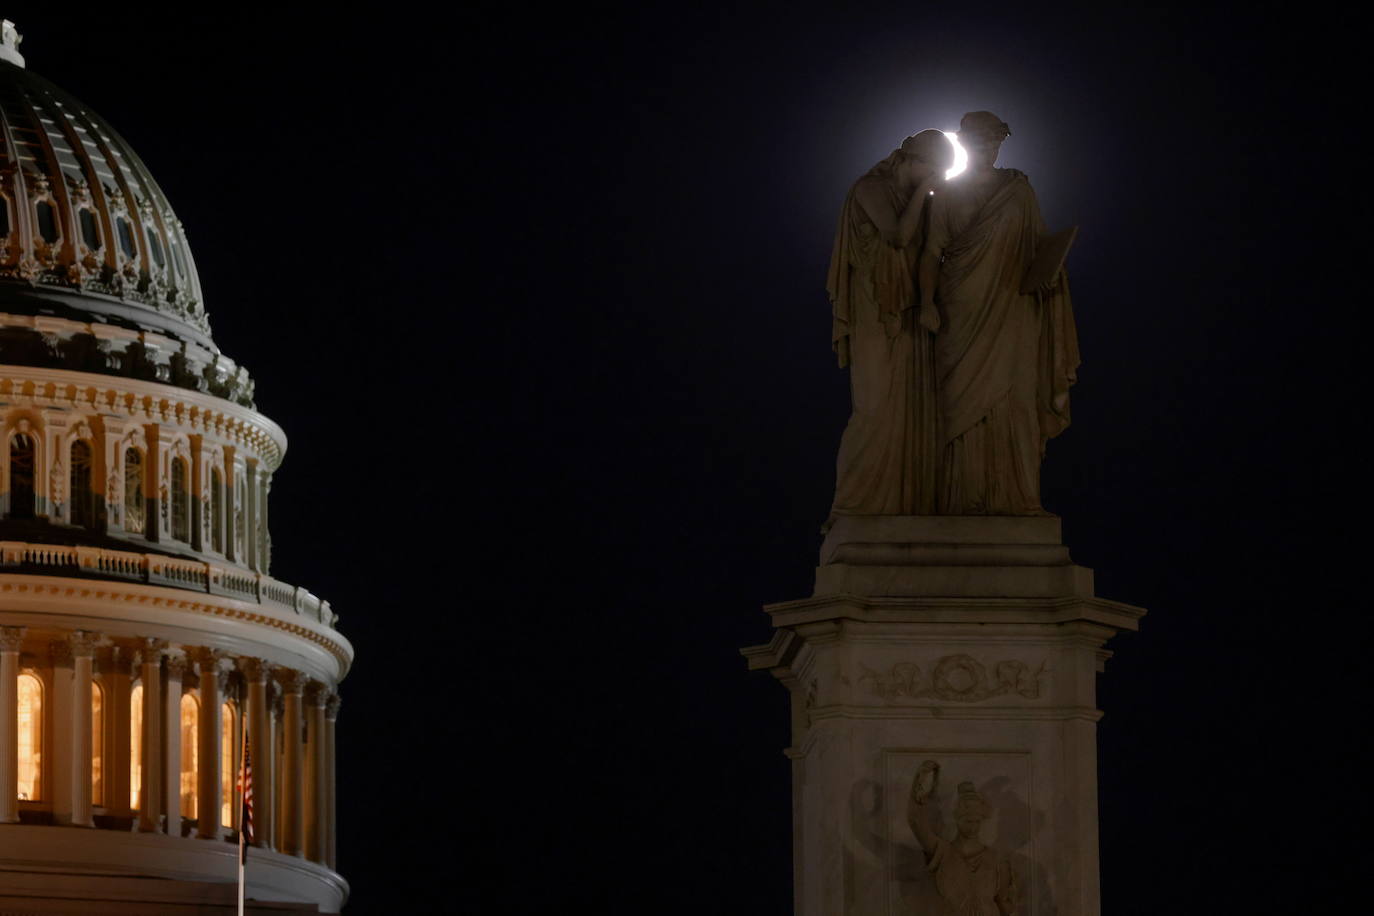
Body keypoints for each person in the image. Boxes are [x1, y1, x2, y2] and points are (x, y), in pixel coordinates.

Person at [916, 111, 1079, 515]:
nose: (989, 149)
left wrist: (1049, 276)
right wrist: (925, 302)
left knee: (1016, 399)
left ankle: (1016, 498)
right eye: (981, 141)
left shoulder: (1018, 192)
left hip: (1012, 308)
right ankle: (958, 501)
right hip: (961, 310)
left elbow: (1039, 246)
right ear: (964, 144)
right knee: (957, 404)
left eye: (995, 142)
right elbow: (931, 253)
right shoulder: (947, 194)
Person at [827, 130, 956, 523]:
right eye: (933, 168)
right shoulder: (871, 188)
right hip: (876, 311)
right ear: (911, 161)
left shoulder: (922, 200)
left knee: (912, 410)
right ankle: (851, 506)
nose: (935, 177)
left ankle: (906, 504)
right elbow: (897, 236)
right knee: (874, 409)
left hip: (910, 311)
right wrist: (925, 195)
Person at [908, 762, 1018, 915]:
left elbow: (1005, 906)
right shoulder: (943, 853)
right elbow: (915, 822)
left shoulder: (997, 861)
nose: (973, 827)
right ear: (957, 818)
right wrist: (920, 784)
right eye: (968, 821)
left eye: (976, 821)